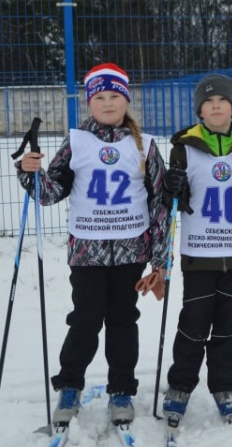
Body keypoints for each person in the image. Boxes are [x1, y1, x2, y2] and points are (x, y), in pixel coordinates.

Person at [16, 63, 170, 427]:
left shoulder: (144, 145)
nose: (107, 102)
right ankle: (70, 385)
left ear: (126, 100)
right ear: (89, 102)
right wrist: (29, 171)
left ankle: (121, 390)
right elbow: (50, 192)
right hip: (87, 252)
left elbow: (161, 203)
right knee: (84, 320)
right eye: (99, 97)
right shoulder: (77, 142)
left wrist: (161, 259)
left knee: (123, 320)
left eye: (114, 96)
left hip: (132, 251)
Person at [159, 73, 232, 426]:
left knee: (229, 324)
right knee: (193, 322)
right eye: (208, 103)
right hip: (200, 251)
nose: (215, 106)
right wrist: (172, 186)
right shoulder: (184, 146)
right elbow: (173, 200)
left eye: (222, 102)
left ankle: (224, 385)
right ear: (199, 111)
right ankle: (180, 385)